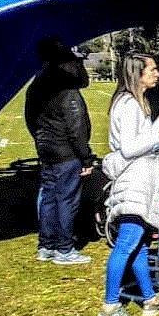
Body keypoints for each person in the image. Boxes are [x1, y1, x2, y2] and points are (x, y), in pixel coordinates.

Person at [96, 53, 159, 316]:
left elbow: (137, 140)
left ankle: (149, 298)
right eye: (153, 69)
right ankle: (110, 305)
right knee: (127, 243)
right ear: (138, 73)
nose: (158, 74)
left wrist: (158, 124)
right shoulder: (130, 104)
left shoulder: (136, 103)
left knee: (142, 244)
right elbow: (131, 149)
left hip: (142, 180)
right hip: (135, 182)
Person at [24, 38, 95, 265]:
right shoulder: (68, 93)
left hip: (46, 149)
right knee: (66, 200)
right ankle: (65, 249)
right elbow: (77, 129)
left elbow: (30, 119)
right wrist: (86, 157)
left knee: (49, 198)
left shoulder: (37, 86)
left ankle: (47, 245)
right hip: (66, 152)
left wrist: (41, 140)